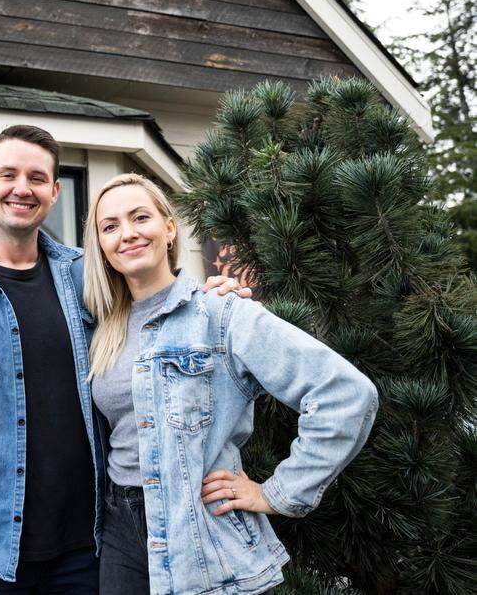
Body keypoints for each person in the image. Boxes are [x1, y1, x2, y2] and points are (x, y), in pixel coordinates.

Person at [0, 126, 247, 594]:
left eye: (36, 178)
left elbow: (158, 305)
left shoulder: (87, 275)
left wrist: (209, 298)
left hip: (86, 551)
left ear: (54, 192)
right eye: (8, 175)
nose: (22, 188)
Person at [85, 173, 378, 594]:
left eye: (140, 217)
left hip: (202, 533)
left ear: (170, 228)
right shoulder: (102, 328)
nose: (127, 233)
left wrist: (275, 493)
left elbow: (346, 394)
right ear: (100, 245)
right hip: (120, 532)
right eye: (110, 226)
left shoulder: (222, 314)